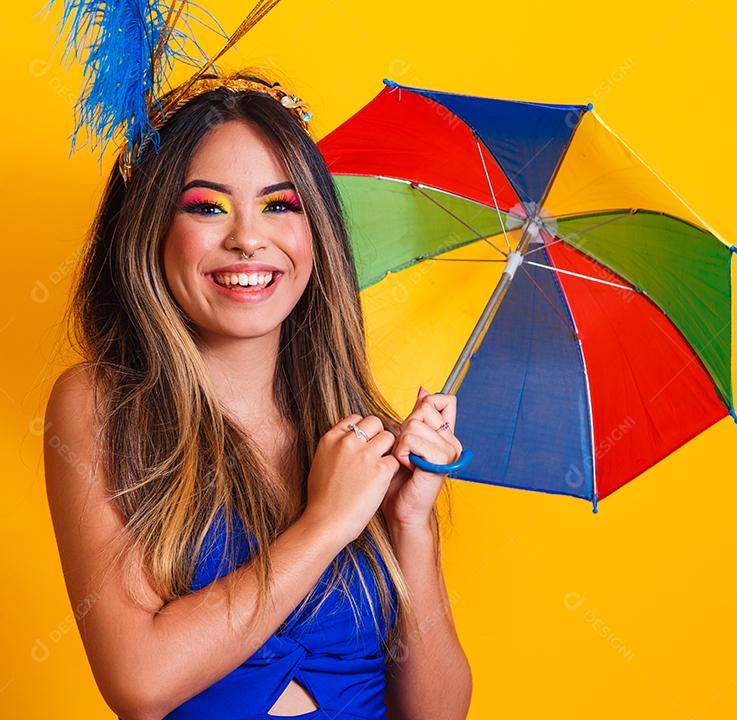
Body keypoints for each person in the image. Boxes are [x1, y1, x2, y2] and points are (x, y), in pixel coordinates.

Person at [43, 67, 472, 719]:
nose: (248, 237)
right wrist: (325, 525)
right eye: (208, 207)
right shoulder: (102, 407)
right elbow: (142, 683)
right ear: (152, 229)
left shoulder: (360, 438)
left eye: (280, 205)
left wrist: (412, 527)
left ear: (317, 233)